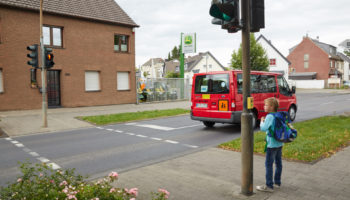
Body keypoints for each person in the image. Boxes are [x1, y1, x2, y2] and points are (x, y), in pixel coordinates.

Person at [256, 97, 283, 193]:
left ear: (271, 106)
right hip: (279, 143)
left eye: (266, 105)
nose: (264, 106)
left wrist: (261, 121)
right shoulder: (278, 115)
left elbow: (263, 128)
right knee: (278, 163)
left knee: (268, 164)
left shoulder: (269, 116)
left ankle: (269, 186)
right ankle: (277, 182)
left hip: (271, 144)